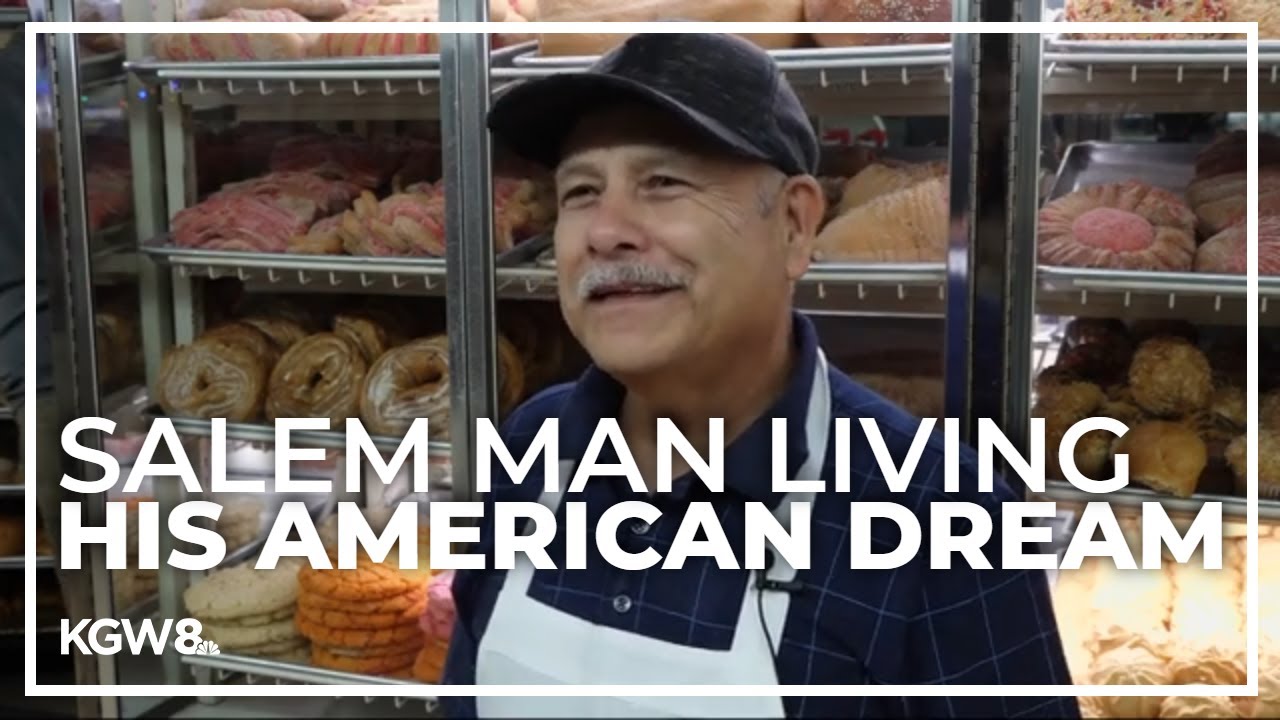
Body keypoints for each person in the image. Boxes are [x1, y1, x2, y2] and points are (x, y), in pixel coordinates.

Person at [442, 32, 1079, 718]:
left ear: (796, 227)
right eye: (580, 191)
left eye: (663, 183)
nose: (606, 231)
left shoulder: (938, 510)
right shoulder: (534, 444)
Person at [0, 31, 100, 718]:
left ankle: (106, 682)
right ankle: (104, 682)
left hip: (41, 345)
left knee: (85, 547)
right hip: (37, 347)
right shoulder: (17, 71)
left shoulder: (19, 68)